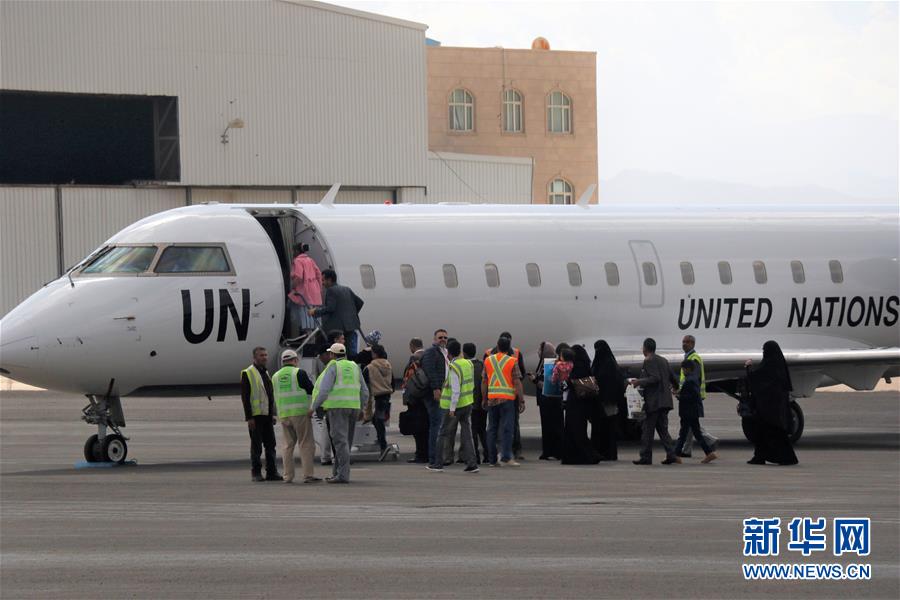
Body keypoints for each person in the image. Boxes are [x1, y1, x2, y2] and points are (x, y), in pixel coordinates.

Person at [310, 343, 369, 483]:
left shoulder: (333, 366)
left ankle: (343, 475)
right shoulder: (354, 366)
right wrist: (361, 407)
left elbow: (324, 390)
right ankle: (337, 472)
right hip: (353, 408)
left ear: (332, 354)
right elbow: (365, 391)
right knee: (346, 442)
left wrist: (314, 407)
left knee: (340, 442)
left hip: (337, 408)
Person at [744, 341, 798, 466]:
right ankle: (760, 457)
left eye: (765, 350)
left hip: (768, 410)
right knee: (766, 434)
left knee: (770, 434)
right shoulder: (779, 366)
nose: (764, 353)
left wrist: (748, 367)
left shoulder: (768, 366)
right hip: (774, 409)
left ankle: (784, 458)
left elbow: (756, 379)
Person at [429, 340, 479, 473]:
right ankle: (472, 463)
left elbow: (455, 390)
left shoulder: (454, 367)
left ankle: (438, 463)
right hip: (467, 403)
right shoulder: (468, 363)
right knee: (467, 434)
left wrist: (452, 408)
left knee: (442, 433)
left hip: (455, 406)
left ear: (449, 354)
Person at [272, 349, 321, 483]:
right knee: (306, 444)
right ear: (295, 360)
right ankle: (308, 475)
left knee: (287, 445)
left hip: (284, 415)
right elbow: (312, 390)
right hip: (299, 414)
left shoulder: (275, 376)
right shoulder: (299, 373)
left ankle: (287, 476)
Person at [629, 338, 679, 465]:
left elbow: (655, 378)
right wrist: (676, 387)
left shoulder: (649, 360)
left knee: (647, 430)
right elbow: (673, 378)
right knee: (662, 430)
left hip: (654, 402)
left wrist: (638, 382)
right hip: (665, 401)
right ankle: (671, 454)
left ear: (645, 348)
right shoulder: (663, 360)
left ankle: (646, 457)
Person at [240, 347, 282, 482]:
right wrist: (249, 417)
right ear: (255, 358)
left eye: (265, 355)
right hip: (256, 416)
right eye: (261, 355)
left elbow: (269, 395)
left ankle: (271, 472)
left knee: (271, 445)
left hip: (267, 415)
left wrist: (272, 414)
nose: (264, 357)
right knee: (256, 446)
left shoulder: (266, 372)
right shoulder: (248, 373)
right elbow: (245, 397)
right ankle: (256, 472)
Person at [482, 336, 524, 467]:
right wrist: (521, 400)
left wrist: (484, 398)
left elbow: (484, 381)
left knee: (492, 429)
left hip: (492, 398)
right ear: (509, 347)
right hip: (507, 399)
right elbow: (517, 382)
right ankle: (506, 457)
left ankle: (492, 459)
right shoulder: (512, 361)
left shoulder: (488, 360)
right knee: (507, 429)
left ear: (497, 346)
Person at [677, 335, 718, 458]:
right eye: (683, 342)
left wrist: (682, 394)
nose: (684, 344)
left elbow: (694, 379)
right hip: (690, 397)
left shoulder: (694, 359)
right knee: (691, 427)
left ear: (693, 344)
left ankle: (709, 441)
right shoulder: (688, 357)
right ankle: (687, 450)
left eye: (687, 342)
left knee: (689, 427)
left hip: (691, 398)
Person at [308, 270, 363, 357]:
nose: (322, 283)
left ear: (329, 280)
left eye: (323, 280)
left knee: (332, 349)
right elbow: (359, 302)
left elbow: (330, 308)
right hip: (351, 326)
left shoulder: (331, 290)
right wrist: (350, 315)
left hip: (337, 328)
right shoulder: (346, 289)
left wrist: (315, 311)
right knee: (350, 352)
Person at [561, 345, 600, 465]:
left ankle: (579, 455)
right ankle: (586, 454)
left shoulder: (577, 368)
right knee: (580, 429)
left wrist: (566, 377)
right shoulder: (586, 367)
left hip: (575, 402)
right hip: (582, 402)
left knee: (574, 429)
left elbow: (572, 382)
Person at [673, 360, 718, 463]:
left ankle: (675, 456)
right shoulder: (693, 379)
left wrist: (679, 395)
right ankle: (709, 453)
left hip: (688, 411)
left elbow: (692, 396)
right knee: (696, 433)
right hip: (693, 411)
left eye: (683, 369)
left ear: (688, 369)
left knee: (683, 434)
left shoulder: (690, 381)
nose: (683, 371)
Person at [590, 340, 623, 461]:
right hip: (609, 402)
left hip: (604, 402)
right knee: (609, 428)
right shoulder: (612, 364)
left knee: (604, 428)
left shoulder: (601, 365)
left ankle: (602, 452)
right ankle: (609, 453)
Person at [421, 329, 449, 469]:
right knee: (436, 425)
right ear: (434, 339)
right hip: (434, 394)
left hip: (444, 393)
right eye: (440, 337)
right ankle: (434, 459)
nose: (443, 339)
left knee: (440, 425)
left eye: (445, 337)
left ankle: (438, 457)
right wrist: (436, 388)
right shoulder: (431, 352)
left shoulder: (445, 352)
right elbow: (430, 370)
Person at [532, 341, 563, 460]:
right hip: (545, 401)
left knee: (553, 427)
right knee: (547, 427)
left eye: (540, 350)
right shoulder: (544, 364)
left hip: (550, 401)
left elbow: (548, 385)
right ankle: (548, 451)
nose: (538, 352)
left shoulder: (551, 364)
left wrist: (535, 380)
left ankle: (555, 451)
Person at [401, 338, 429, 463]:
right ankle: (427, 453)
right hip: (426, 397)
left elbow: (409, 379)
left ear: (412, 346)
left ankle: (420, 454)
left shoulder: (414, 358)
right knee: (426, 427)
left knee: (417, 428)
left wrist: (407, 397)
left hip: (415, 398)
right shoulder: (428, 356)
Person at [363, 343, 393, 460]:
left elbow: (364, 385)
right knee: (379, 419)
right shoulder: (388, 365)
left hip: (376, 397)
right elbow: (393, 383)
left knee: (377, 420)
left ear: (374, 354)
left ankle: (383, 445)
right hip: (387, 396)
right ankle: (382, 443)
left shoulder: (370, 367)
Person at [287, 243, 322, 337]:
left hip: (304, 294)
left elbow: (299, 276)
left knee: (292, 308)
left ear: (297, 251)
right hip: (315, 295)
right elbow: (319, 274)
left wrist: (292, 286)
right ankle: (311, 338)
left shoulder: (297, 261)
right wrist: (318, 289)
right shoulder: (310, 260)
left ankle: (301, 335)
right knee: (314, 321)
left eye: (294, 251)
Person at [464, 343, 488, 464]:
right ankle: (488, 455)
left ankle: (475, 456)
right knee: (483, 430)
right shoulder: (482, 364)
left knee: (472, 431)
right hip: (482, 402)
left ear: (464, 353)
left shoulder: (465, 366)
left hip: (471, 403)